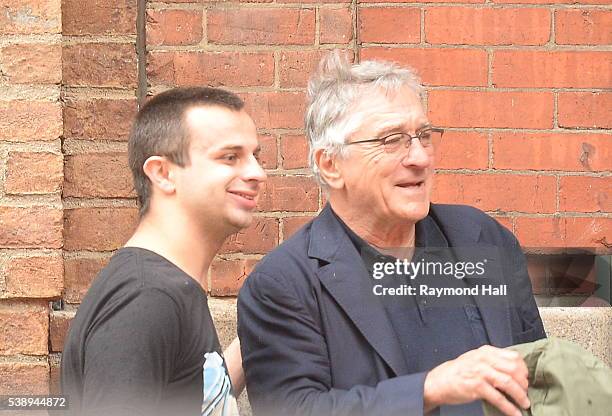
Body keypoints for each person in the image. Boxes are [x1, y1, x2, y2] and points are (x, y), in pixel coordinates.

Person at [237, 53, 546, 416]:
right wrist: (429, 389)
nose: (420, 158)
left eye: (424, 136)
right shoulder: (286, 284)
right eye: (391, 140)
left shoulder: (480, 237)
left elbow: (538, 378)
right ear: (330, 165)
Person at [61, 87, 266, 416]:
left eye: (256, 156)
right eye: (230, 157)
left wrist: (259, 334)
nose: (257, 172)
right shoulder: (146, 299)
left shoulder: (168, 288)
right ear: (162, 173)